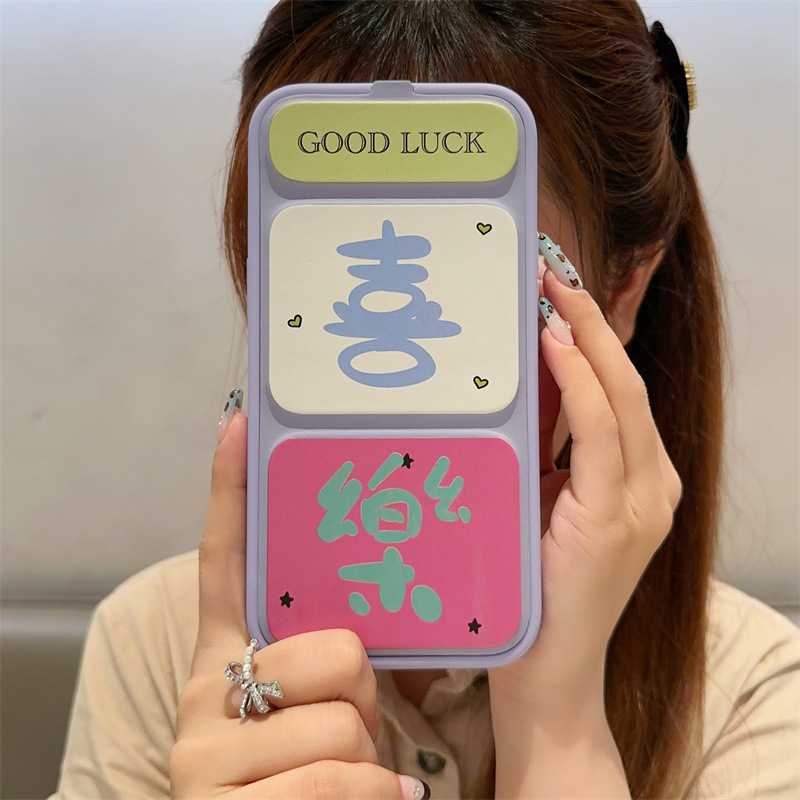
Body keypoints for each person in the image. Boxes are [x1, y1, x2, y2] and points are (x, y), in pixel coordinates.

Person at [48, 2, 800, 799]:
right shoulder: (157, 649)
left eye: (468, 273)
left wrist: (558, 725)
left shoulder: (747, 694)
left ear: (620, 290)